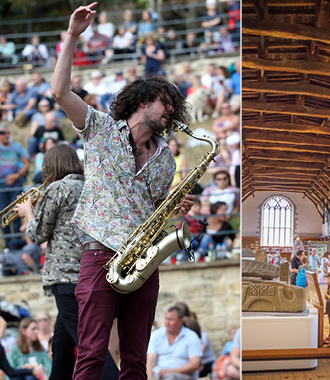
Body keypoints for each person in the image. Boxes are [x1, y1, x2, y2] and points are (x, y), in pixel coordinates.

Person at [51, 4, 194, 379]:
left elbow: (157, 206)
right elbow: (59, 90)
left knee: (135, 361)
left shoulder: (166, 159)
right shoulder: (100, 128)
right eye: (167, 103)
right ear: (144, 101)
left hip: (143, 261)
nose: (171, 113)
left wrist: (175, 204)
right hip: (100, 254)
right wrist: (72, 35)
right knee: (91, 355)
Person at [15, 143, 120, 380]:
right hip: (92, 275)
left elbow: (38, 234)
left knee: (90, 347)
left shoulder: (57, 188)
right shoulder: (89, 186)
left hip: (67, 278)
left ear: (52, 166)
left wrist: (29, 212)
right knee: (61, 346)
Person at [146, 306, 202, 380]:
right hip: (159, 376)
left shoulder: (191, 336)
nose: (167, 323)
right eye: (166, 319)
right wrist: (149, 378)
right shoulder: (156, 335)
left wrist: (170, 371)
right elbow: (151, 359)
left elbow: (195, 364)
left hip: (183, 376)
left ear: (181, 321)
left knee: (170, 377)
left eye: (171, 320)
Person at [0, 124, 29, 248]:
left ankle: (17, 243)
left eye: (7, 133)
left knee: (16, 213)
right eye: (2, 133)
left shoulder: (17, 146)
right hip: (1, 185)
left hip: (16, 183)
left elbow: (26, 164)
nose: (6, 135)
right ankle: (8, 246)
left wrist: (16, 176)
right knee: (2, 214)